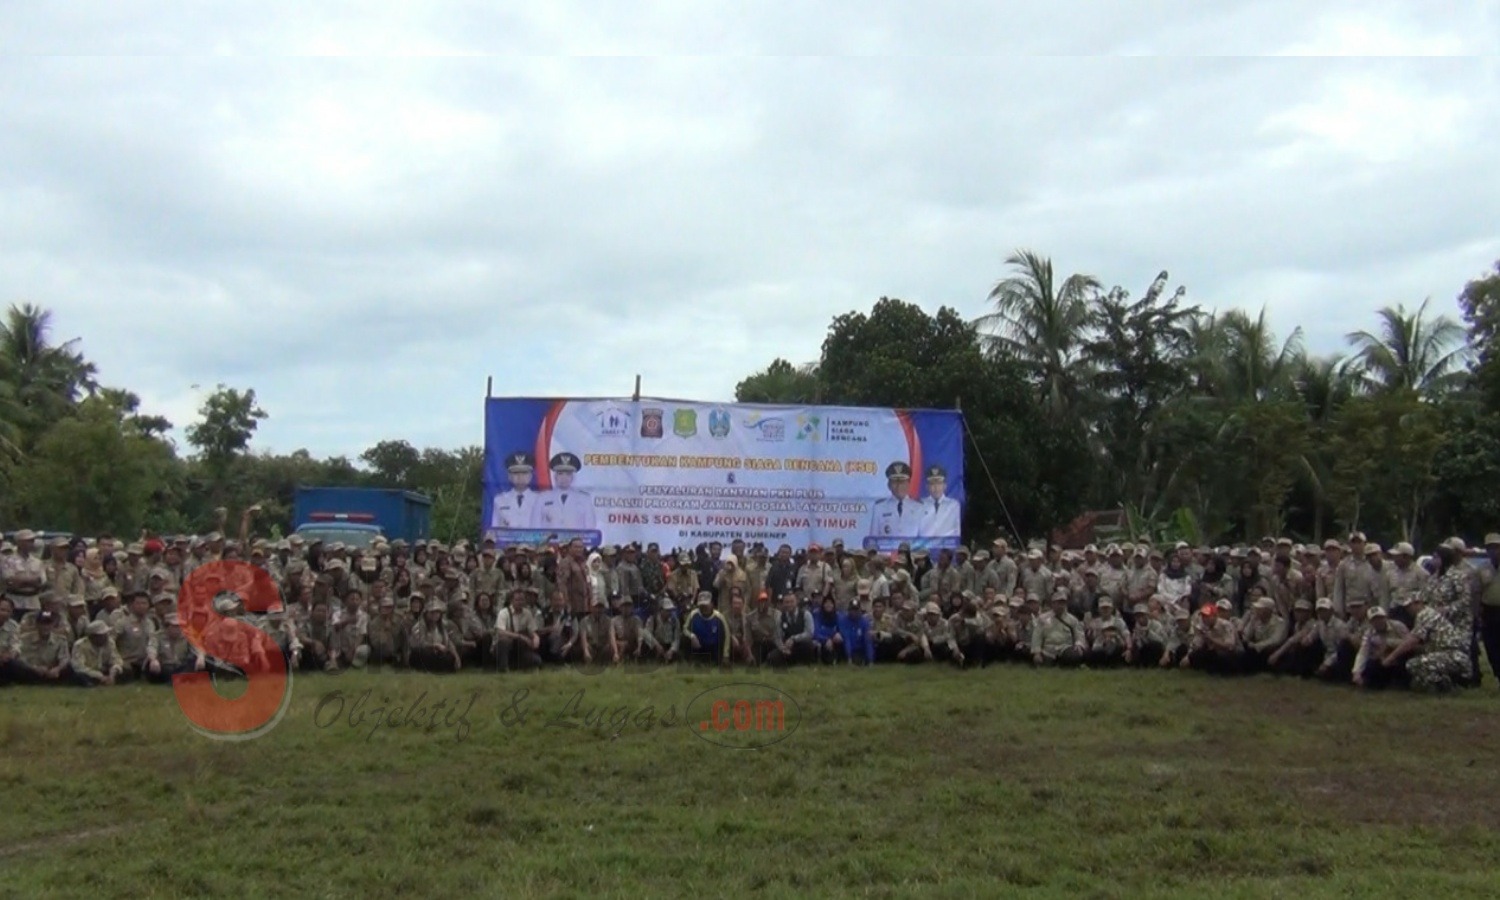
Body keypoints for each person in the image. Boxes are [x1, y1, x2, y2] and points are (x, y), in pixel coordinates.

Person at [534, 452, 597, 533]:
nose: (564, 478)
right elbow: (535, 527)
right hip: (548, 544)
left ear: (573, 477)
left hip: (574, 544)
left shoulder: (584, 499)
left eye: (568, 474)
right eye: (560, 474)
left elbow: (590, 528)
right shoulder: (542, 498)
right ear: (555, 476)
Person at [867, 462, 924, 539]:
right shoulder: (879, 508)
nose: (899, 486)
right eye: (895, 482)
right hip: (887, 551)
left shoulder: (919, 508)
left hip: (911, 551)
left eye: (902, 482)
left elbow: (923, 542)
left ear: (909, 484)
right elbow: (873, 540)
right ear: (889, 485)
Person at [490, 451, 539, 530]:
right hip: (507, 542)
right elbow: (495, 529)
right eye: (516, 473)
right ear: (509, 476)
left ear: (530, 476)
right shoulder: (499, 500)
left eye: (524, 473)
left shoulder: (540, 499)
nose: (520, 476)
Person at [683, 593, 730, 666]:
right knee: (684, 638)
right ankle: (691, 659)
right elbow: (685, 629)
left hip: (713, 649)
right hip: (698, 647)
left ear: (712, 604)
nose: (704, 607)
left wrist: (725, 655)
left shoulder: (719, 617)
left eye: (706, 605)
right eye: (701, 605)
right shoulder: (693, 614)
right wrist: (692, 636)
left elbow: (727, 636)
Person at [916, 465, 961, 539]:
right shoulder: (919, 504)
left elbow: (956, 530)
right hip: (924, 548)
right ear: (927, 487)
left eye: (939, 484)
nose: (936, 487)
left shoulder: (953, 505)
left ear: (945, 486)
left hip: (946, 547)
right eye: (932, 484)